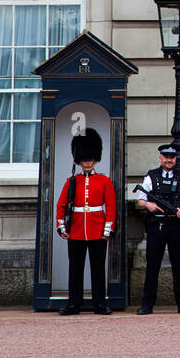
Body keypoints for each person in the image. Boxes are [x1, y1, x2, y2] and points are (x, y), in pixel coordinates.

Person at [56, 130, 116, 315]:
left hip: (97, 230)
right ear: (79, 160)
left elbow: (111, 207)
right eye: (84, 159)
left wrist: (108, 229)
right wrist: (62, 226)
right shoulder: (72, 181)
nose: (87, 162)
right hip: (76, 231)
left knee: (98, 269)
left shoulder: (104, 181)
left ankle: (99, 303)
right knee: (75, 269)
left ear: (95, 159)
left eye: (90, 158)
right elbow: (61, 205)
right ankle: (74, 303)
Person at [135, 143, 180, 314]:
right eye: (166, 157)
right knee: (152, 265)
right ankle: (147, 304)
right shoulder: (151, 177)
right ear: (160, 158)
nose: (169, 160)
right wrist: (149, 205)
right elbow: (140, 201)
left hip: (176, 226)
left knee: (179, 265)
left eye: (172, 157)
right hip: (156, 225)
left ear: (175, 159)